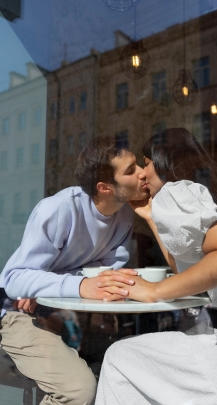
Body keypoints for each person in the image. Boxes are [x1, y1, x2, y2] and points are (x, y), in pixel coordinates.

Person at [95, 128, 217, 405]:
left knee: (120, 357)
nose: (142, 172)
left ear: (164, 162)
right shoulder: (208, 191)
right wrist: (152, 217)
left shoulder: (176, 191)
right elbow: (188, 269)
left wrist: (155, 290)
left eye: (147, 162)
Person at [0, 135, 148, 405]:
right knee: (79, 390)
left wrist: (45, 285)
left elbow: (106, 274)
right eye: (131, 170)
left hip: (70, 313)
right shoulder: (58, 210)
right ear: (104, 187)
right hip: (16, 313)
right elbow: (15, 279)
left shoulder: (124, 213)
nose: (143, 173)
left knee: (132, 374)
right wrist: (78, 286)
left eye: (138, 164)